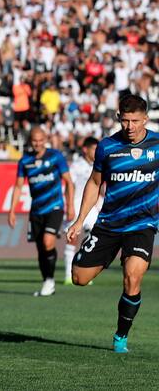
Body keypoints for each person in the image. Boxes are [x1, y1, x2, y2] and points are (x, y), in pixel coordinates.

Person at [67, 95, 158, 354]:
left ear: (145, 119)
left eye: (135, 121)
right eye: (125, 120)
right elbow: (95, 183)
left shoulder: (158, 145)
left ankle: (121, 335)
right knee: (79, 278)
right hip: (109, 224)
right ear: (119, 118)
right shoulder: (107, 146)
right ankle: (108, 256)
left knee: (133, 277)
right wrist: (79, 220)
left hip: (142, 224)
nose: (129, 126)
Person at [7, 127, 75, 297]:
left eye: (40, 140)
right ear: (30, 141)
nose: (37, 143)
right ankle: (47, 281)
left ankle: (51, 280)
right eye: (34, 140)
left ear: (45, 139)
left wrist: (70, 205)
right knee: (41, 249)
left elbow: (69, 182)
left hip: (55, 207)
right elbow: (18, 186)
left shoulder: (55, 157)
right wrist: (12, 211)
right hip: (36, 211)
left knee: (47, 242)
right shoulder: (25, 161)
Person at [65, 136, 102, 285]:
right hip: (76, 204)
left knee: (91, 239)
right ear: (85, 149)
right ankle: (68, 273)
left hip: (93, 208)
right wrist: (70, 206)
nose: (96, 152)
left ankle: (83, 270)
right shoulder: (76, 165)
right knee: (72, 239)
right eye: (94, 149)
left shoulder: (98, 165)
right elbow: (69, 186)